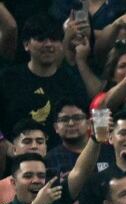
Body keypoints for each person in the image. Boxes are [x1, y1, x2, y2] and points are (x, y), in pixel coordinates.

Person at [0, 14, 89, 142]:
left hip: (59, 156)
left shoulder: (71, 81)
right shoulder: (7, 79)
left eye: (54, 39)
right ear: (26, 44)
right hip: (15, 155)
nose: (48, 44)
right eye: (41, 39)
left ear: (61, 44)